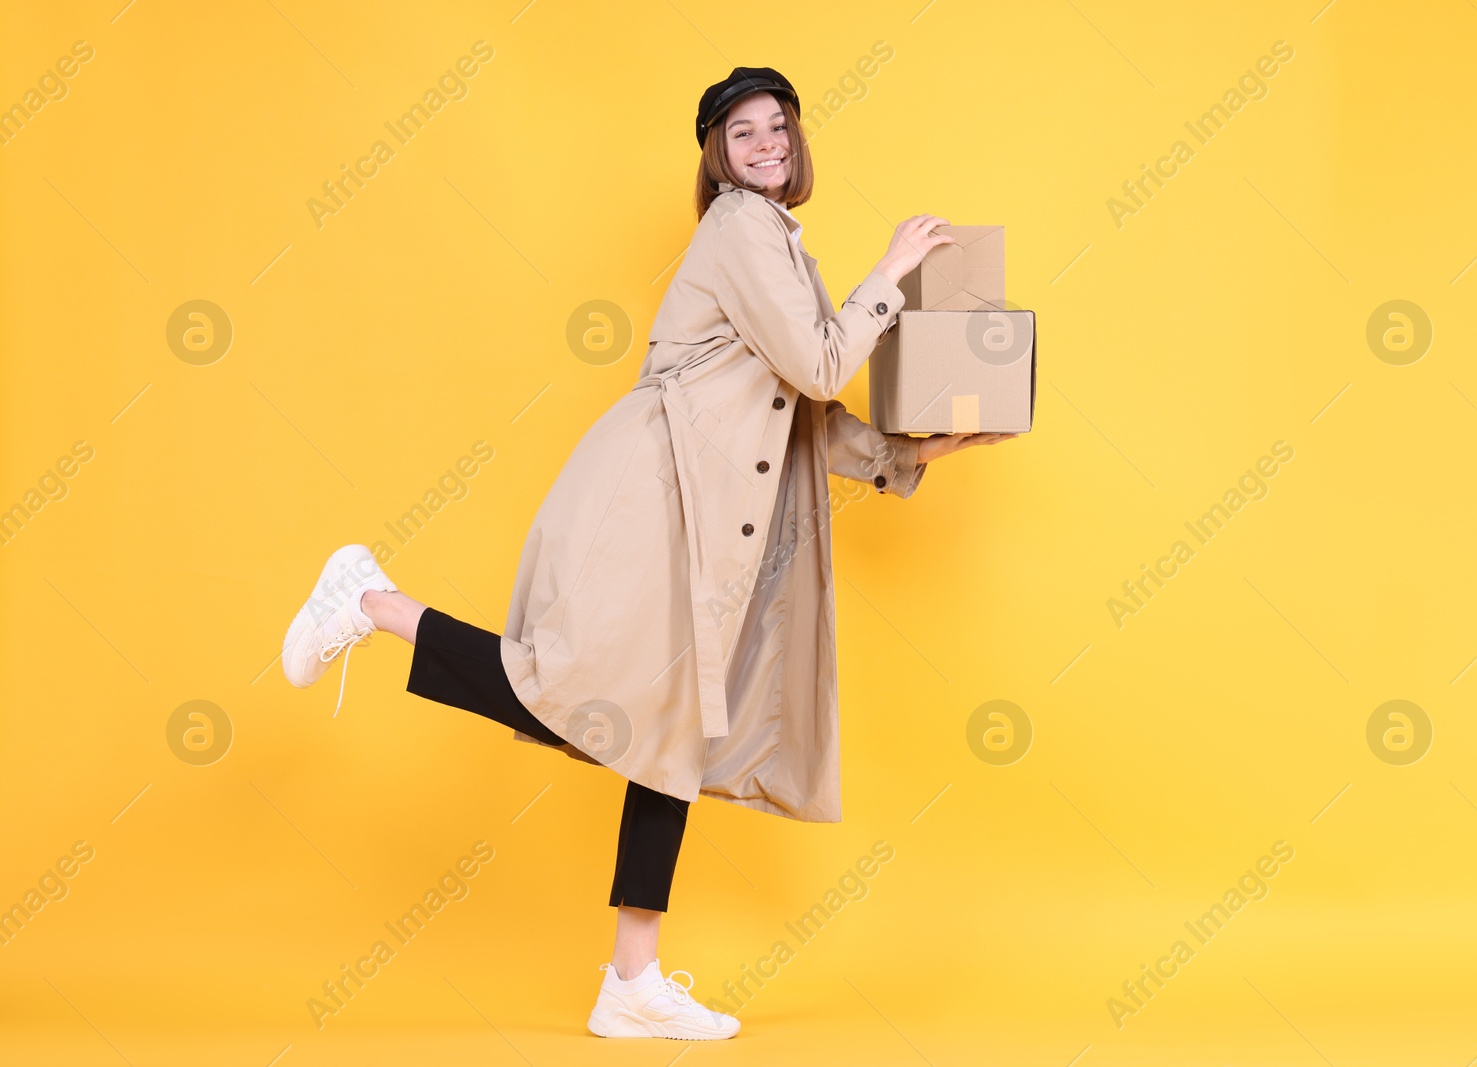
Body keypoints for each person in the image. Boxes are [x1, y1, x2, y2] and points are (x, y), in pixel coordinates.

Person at [279, 65, 1017, 1041]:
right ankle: (370, 598)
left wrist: (914, 449)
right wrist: (890, 272)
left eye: (778, 128)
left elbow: (799, 416)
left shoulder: (778, 245)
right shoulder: (740, 229)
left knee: (665, 735)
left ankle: (631, 979)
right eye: (742, 132)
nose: (765, 144)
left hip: (701, 512)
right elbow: (822, 363)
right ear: (716, 153)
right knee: (571, 689)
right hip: (655, 496)